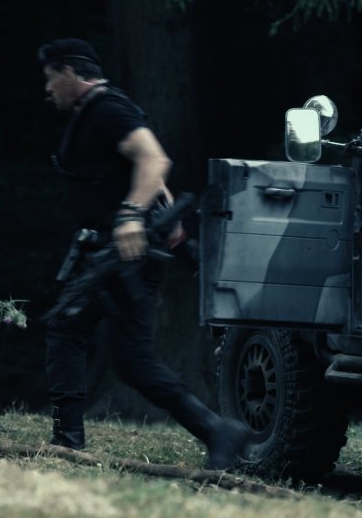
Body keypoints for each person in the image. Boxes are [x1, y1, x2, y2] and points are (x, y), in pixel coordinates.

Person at [38, 38, 249, 469]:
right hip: (111, 253)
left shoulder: (108, 109)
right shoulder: (94, 113)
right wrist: (170, 225)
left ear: (71, 72)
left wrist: (133, 215)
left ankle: (69, 440)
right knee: (114, 352)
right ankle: (216, 431)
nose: (47, 88)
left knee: (79, 335)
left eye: (50, 77)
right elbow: (142, 174)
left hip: (125, 254)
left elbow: (153, 160)